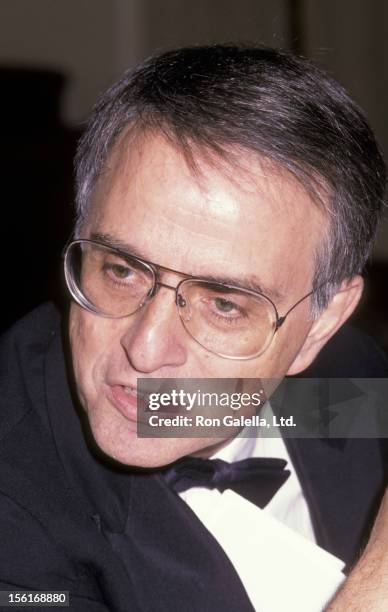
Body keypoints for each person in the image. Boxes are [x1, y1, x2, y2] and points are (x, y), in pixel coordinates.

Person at [0, 44, 387, 611]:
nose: (145, 349)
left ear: (319, 325)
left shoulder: (348, 380)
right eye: (122, 269)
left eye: (224, 304)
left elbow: (353, 411)